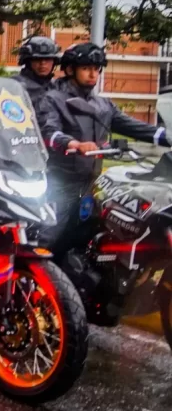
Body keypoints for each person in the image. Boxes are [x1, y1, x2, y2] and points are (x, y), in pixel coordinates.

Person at [40, 42, 170, 253]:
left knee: (96, 233)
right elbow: (49, 132)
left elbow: (137, 128)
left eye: (96, 69)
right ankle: (29, 277)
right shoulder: (53, 99)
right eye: (86, 68)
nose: (93, 74)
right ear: (71, 69)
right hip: (60, 182)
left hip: (93, 183)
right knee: (51, 235)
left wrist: (168, 137)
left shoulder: (103, 105)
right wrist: (74, 143)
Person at [15, 36, 61, 108]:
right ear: (28, 61)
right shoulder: (16, 85)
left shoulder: (57, 86)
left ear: (54, 62)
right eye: (37, 59)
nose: (43, 63)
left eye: (48, 59)